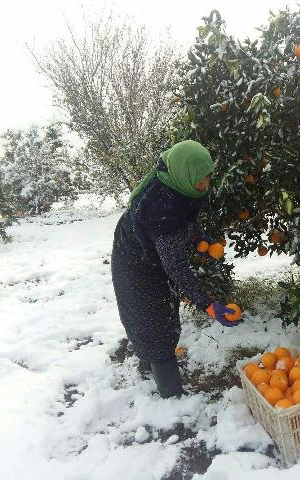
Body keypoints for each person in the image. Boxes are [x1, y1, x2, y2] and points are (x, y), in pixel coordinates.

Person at [111, 140, 240, 398]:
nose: (205, 185)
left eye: (208, 177)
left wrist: (199, 239)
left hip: (151, 250)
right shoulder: (161, 208)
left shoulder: (179, 183)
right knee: (152, 321)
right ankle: (171, 394)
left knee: (164, 312)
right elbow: (177, 267)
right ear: (186, 174)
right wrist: (209, 305)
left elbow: (186, 219)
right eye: (200, 180)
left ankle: (150, 363)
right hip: (134, 263)